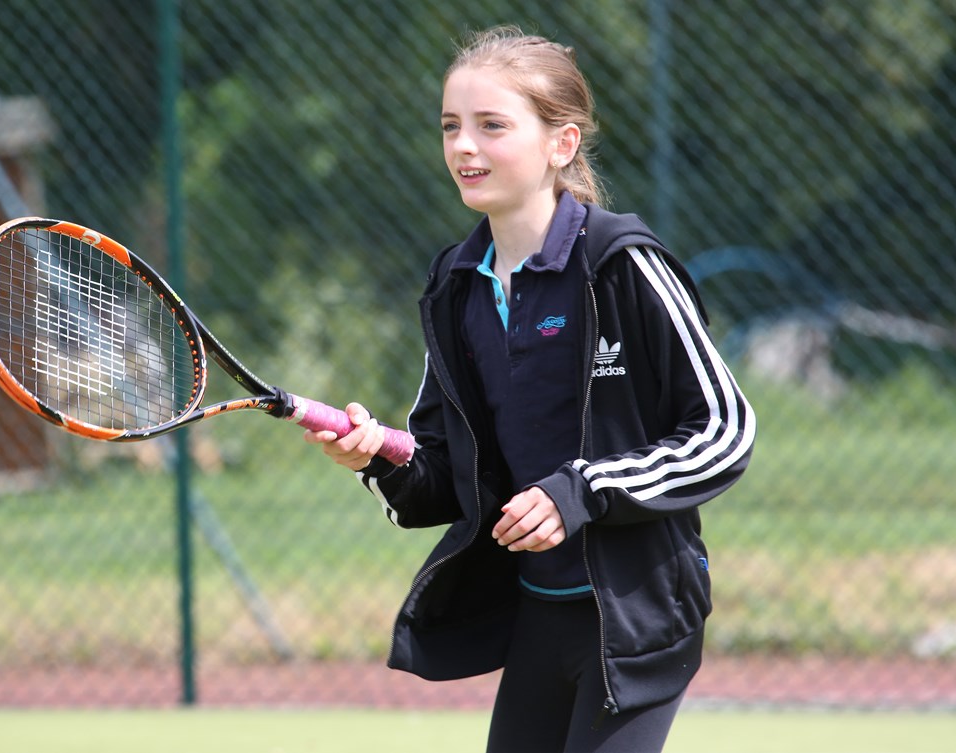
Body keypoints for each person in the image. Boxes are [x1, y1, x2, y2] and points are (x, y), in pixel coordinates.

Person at [304, 25, 756, 753]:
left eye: (492, 126)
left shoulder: (622, 266)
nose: (463, 146)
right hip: (536, 615)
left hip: (638, 620)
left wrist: (579, 490)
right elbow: (446, 480)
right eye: (451, 126)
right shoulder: (457, 288)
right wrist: (374, 459)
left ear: (561, 144)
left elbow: (726, 431)